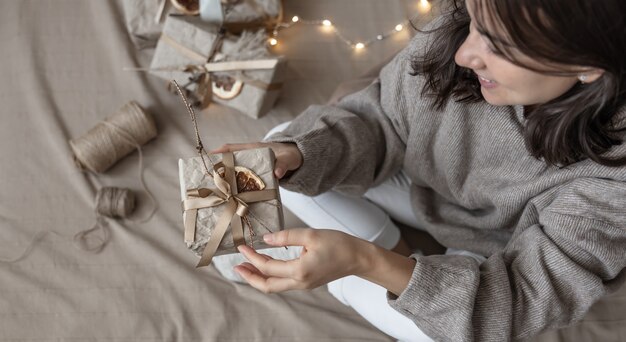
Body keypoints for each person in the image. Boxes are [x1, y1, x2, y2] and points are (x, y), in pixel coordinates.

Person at [210, 0, 626, 340]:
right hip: (418, 182)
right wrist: (296, 155)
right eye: (476, 21)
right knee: (287, 142)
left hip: (494, 252)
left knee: (447, 332)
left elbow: (518, 301)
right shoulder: (461, 30)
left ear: (587, 66)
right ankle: (380, 252)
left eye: (500, 45)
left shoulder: (614, 178)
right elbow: (379, 120)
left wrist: (362, 261)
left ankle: (353, 269)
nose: (466, 54)